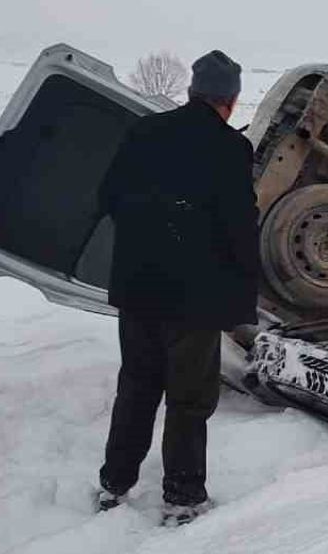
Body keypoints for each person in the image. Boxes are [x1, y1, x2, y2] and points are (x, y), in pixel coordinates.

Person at [95, 50, 259, 525]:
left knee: (137, 386)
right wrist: (247, 279)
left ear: (191, 90)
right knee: (188, 398)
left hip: (139, 287)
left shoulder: (144, 131)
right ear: (230, 101)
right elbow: (239, 224)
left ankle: (114, 485)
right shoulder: (230, 148)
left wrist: (143, 235)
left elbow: (108, 198)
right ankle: (183, 498)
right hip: (194, 298)